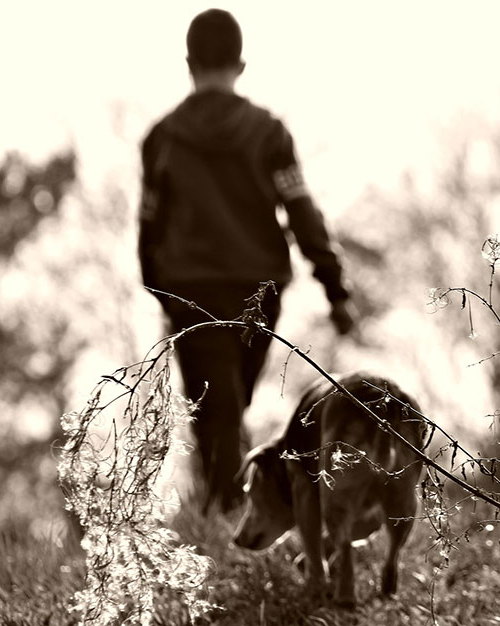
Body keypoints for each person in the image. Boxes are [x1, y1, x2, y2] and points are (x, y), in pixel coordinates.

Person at [138, 8, 355, 513]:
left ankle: (228, 517)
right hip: (258, 290)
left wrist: (158, 287)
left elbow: (148, 227)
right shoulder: (269, 134)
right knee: (226, 407)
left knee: (220, 410)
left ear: (188, 63)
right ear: (241, 64)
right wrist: (335, 287)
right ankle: (232, 519)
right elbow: (302, 211)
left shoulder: (161, 140)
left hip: (189, 292)